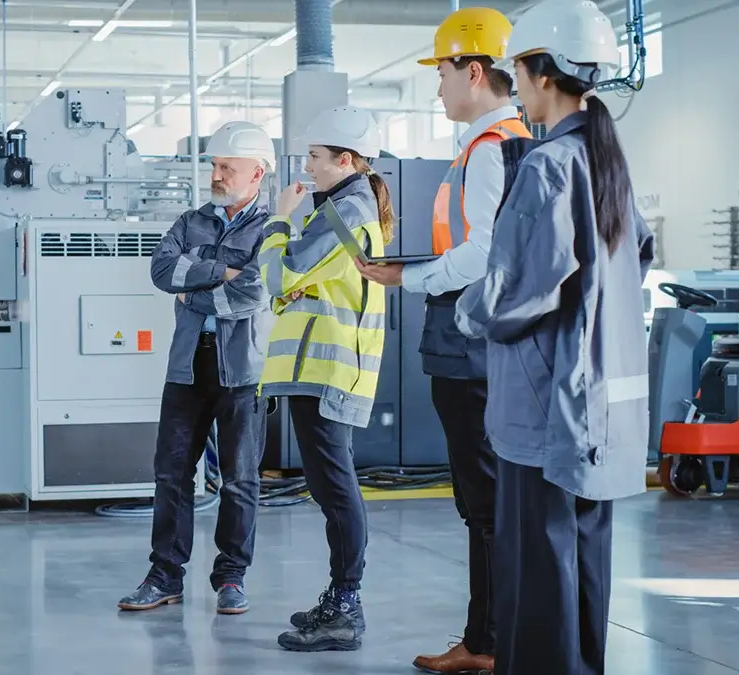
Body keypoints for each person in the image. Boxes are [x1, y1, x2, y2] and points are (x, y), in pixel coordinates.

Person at [453, 2, 655, 674]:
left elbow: (516, 292)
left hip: (544, 409)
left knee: (538, 574)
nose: (517, 85)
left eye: (518, 71)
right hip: (600, 406)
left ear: (542, 73)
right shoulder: (607, 163)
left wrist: (464, 313)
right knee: (582, 562)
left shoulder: (548, 166)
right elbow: (631, 262)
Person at [354, 7, 530, 673]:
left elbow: (482, 254)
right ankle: (490, 637)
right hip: (483, 342)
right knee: (488, 500)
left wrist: (407, 276)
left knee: (484, 502)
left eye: (443, 72)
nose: (438, 87)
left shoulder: (490, 150)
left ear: (474, 70)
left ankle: (489, 643)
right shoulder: (504, 143)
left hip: (471, 343)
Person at [118, 121, 276, 616]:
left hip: (244, 372)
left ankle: (231, 577)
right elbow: (162, 270)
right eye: (214, 165)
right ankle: (164, 575)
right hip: (186, 366)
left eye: (227, 166)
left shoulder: (272, 230)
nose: (217, 174)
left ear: (257, 173)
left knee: (240, 480)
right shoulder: (191, 221)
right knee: (171, 474)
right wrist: (224, 273)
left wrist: (196, 292)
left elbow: (254, 291)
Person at [257, 107, 393, 653]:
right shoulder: (340, 210)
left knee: (336, 490)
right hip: (321, 369)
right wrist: (291, 277)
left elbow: (281, 274)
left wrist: (278, 220)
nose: (307, 165)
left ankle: (346, 606)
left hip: (328, 370)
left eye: (315, 156)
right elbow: (294, 284)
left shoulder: (344, 214)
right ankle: (340, 598)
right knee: (330, 487)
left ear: (346, 160)